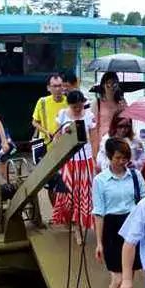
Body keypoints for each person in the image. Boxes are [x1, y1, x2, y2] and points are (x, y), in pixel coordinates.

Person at [93, 138, 145, 288]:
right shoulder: (100, 180)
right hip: (112, 227)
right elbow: (99, 212)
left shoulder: (135, 175)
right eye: (118, 157)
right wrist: (99, 242)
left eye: (125, 157)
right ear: (109, 157)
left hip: (132, 226)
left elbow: (144, 202)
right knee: (117, 277)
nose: (122, 161)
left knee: (129, 276)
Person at [51, 90, 97, 245]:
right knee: (69, 194)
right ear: (69, 104)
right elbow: (57, 139)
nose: (78, 109)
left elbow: (94, 138)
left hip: (86, 159)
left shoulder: (89, 115)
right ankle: (73, 224)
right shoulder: (63, 115)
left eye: (80, 106)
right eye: (75, 107)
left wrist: (96, 159)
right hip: (69, 160)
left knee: (85, 195)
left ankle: (83, 227)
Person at [91, 72, 127, 156]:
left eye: (114, 84)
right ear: (103, 85)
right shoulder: (97, 103)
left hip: (119, 141)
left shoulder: (121, 102)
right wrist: (95, 153)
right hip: (102, 142)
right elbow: (93, 129)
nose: (111, 87)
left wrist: (125, 108)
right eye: (108, 84)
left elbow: (127, 122)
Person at [31, 73, 67, 145]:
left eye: (60, 85)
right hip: (47, 143)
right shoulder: (42, 102)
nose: (57, 89)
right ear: (48, 88)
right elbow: (34, 122)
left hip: (65, 144)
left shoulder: (69, 102)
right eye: (54, 86)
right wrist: (46, 132)